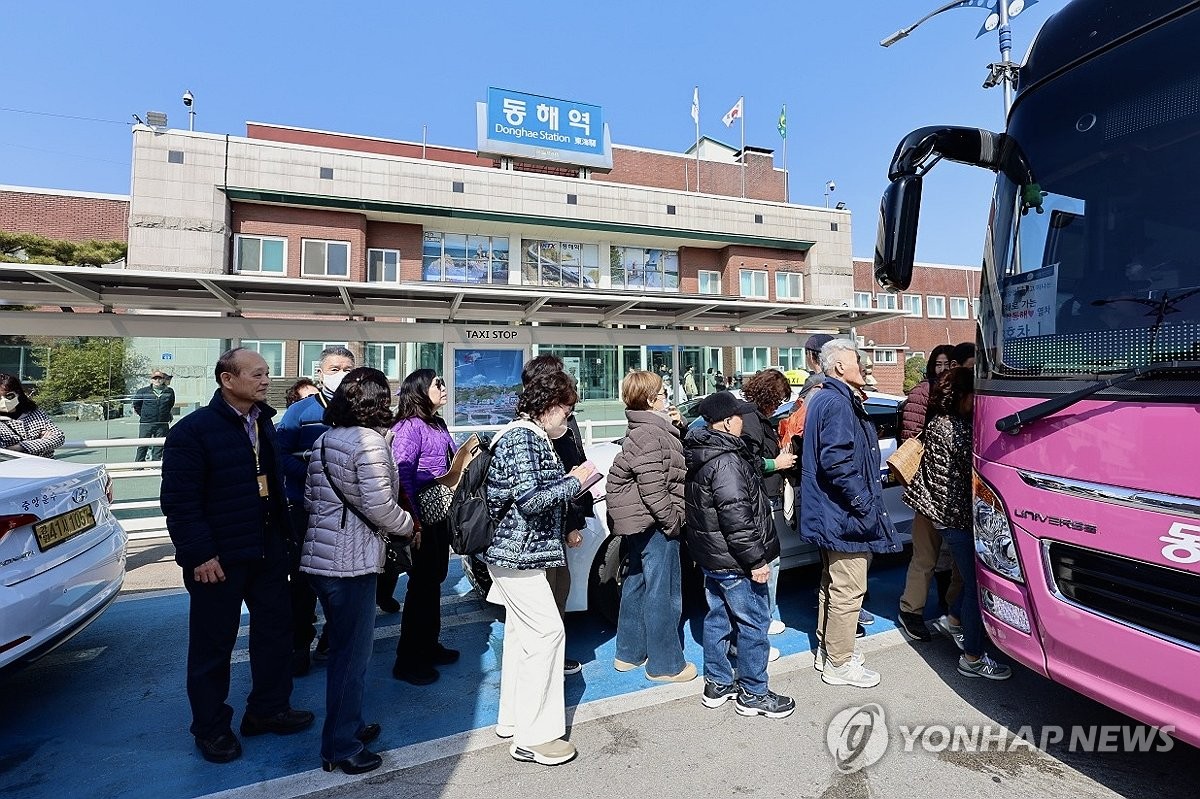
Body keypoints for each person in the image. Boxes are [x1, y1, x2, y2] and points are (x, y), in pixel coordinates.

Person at [160, 348, 314, 764]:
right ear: (227, 380)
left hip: (267, 549)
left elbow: (272, 485)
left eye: (267, 374)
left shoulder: (264, 422)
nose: (266, 381)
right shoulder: (193, 431)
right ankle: (211, 728)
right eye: (257, 374)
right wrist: (200, 554)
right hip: (218, 559)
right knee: (213, 645)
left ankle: (269, 709)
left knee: (276, 632)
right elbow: (180, 501)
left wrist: (285, 539)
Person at [302, 367, 415, 775]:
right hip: (351, 562)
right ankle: (341, 745)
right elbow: (380, 506)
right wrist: (409, 525)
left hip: (320, 557)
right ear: (376, 400)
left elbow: (311, 498)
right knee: (352, 657)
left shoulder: (324, 439)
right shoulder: (369, 442)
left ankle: (348, 725)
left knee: (343, 652)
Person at [482, 370, 597, 766]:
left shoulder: (524, 435)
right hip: (520, 554)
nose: (569, 417)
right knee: (547, 634)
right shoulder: (524, 438)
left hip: (516, 554)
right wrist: (575, 481)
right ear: (548, 406)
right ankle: (535, 737)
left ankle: (514, 721)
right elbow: (532, 499)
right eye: (567, 409)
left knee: (523, 638)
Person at [684, 391, 794, 719]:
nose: (743, 422)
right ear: (728, 421)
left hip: (714, 556)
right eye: (739, 417)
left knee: (718, 618)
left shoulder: (706, 450)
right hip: (735, 560)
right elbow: (737, 517)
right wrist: (756, 560)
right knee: (754, 623)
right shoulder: (726, 461)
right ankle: (754, 692)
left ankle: (718, 683)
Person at [800, 339, 902, 689]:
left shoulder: (824, 397)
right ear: (840, 366)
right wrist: (863, 502)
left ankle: (829, 652)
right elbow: (836, 461)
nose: (864, 365)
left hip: (832, 513)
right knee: (848, 590)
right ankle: (839, 663)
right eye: (858, 359)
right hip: (843, 515)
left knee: (832, 586)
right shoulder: (837, 402)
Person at [903, 367, 1011, 681]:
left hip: (943, 516)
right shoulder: (959, 430)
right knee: (978, 587)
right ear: (962, 395)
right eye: (975, 395)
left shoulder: (939, 422)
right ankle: (972, 658)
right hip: (957, 519)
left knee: (969, 580)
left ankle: (953, 619)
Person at [606, 370, 694, 682]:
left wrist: (678, 425)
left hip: (639, 521)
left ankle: (629, 653)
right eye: (662, 393)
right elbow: (654, 487)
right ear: (650, 400)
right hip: (655, 523)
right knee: (663, 592)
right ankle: (665, 665)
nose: (666, 398)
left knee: (637, 583)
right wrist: (672, 522)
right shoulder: (650, 433)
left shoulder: (644, 429)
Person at [277, 346, 356, 676]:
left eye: (348, 368)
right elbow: (279, 455)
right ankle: (299, 644)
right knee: (303, 580)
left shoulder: (359, 410)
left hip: (348, 511)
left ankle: (330, 640)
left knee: (346, 578)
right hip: (305, 507)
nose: (342, 374)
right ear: (320, 373)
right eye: (335, 368)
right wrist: (312, 474)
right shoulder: (300, 412)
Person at [521, 354, 593, 677]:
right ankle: (548, 666)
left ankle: (553, 659)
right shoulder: (530, 435)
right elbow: (536, 495)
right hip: (542, 536)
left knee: (558, 591)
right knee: (550, 600)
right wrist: (571, 522)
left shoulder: (555, 425)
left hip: (554, 527)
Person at [386, 369, 459, 686]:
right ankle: (408, 660)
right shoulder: (408, 427)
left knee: (433, 583)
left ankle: (429, 646)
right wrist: (413, 523)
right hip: (420, 521)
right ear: (419, 391)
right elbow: (401, 478)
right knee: (420, 588)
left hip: (439, 515)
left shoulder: (436, 423)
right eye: (437, 384)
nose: (443, 387)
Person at [897, 344, 960, 642]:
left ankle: (950, 608)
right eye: (939, 364)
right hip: (928, 488)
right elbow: (909, 438)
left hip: (949, 494)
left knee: (949, 558)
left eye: (949, 364)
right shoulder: (924, 395)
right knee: (926, 555)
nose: (944, 369)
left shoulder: (959, 397)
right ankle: (911, 611)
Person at [739, 369, 797, 644]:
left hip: (762, 495)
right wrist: (778, 463)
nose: (778, 406)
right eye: (778, 400)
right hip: (760, 496)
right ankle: (764, 618)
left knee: (767, 559)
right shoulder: (751, 419)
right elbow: (748, 459)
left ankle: (763, 616)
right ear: (769, 396)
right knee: (768, 560)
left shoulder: (750, 416)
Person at [0, 373, 64, 457]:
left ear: (18, 393)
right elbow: (3, 451)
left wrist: (19, 447)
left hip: (45, 463)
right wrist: (43, 442)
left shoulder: (34, 412)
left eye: (9, 396)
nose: (4, 401)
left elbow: (58, 437)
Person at [900, 345, 954, 441]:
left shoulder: (958, 389)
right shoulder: (922, 391)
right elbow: (911, 432)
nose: (943, 369)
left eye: (947, 364)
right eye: (938, 365)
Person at [132, 370, 175, 461]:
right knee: (143, 445)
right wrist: (144, 415)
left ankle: (155, 464)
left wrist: (166, 415)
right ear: (151, 380)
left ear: (163, 380)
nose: (157, 380)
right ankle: (139, 464)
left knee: (159, 445)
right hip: (146, 423)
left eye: (160, 378)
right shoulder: (143, 391)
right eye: (155, 378)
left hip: (162, 423)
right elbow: (136, 404)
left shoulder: (169, 391)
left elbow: (170, 404)